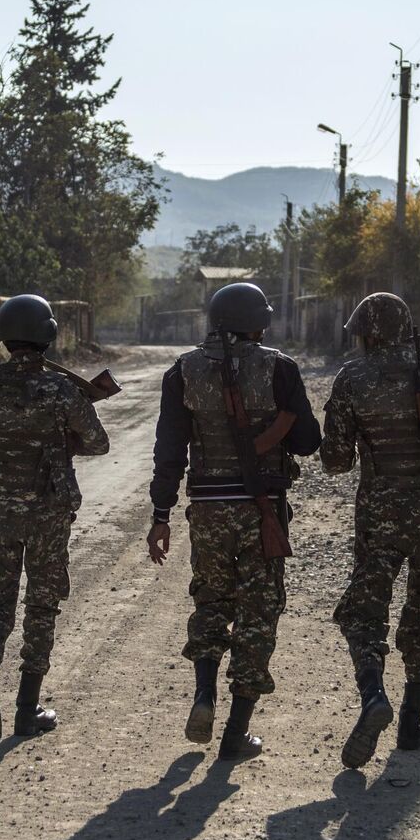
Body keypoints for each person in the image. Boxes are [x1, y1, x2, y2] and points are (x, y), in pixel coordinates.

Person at [148, 282, 321, 762]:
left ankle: (204, 694)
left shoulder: (182, 370)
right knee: (258, 613)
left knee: (210, 600)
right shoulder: (280, 368)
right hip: (261, 507)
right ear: (257, 323)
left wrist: (160, 515)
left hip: (206, 508)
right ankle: (236, 732)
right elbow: (308, 441)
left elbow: (169, 451)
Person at [0, 293, 109, 743]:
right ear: (48, 335)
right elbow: (98, 443)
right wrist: (59, 439)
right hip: (49, 514)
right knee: (42, 603)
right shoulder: (62, 390)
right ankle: (27, 706)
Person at [320, 292, 420, 769]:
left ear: (367, 333)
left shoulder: (352, 378)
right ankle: (410, 721)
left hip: (378, 514)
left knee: (363, 611)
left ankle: (372, 697)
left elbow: (335, 461)